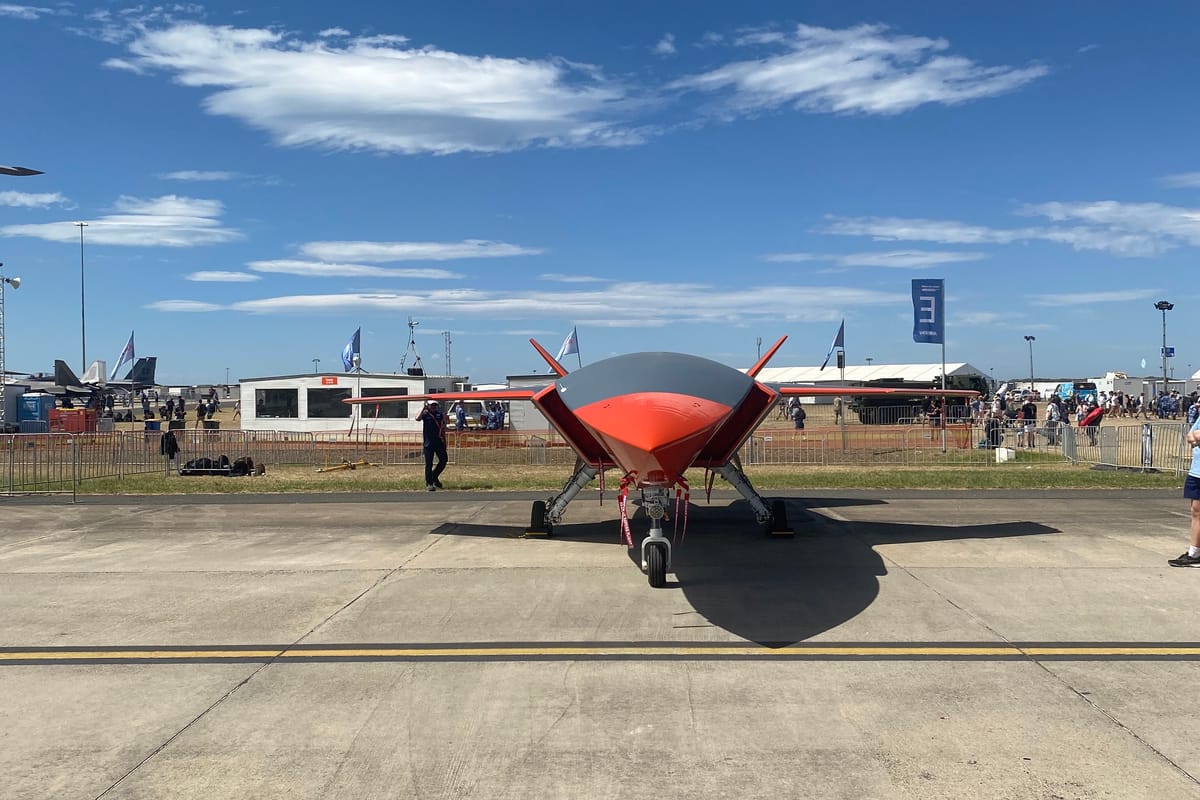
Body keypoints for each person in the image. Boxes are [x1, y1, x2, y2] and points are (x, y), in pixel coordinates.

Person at [1168, 415, 1200, 567]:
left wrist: (1197, 437)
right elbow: (1190, 436)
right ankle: (1194, 553)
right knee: (1196, 511)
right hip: (1196, 471)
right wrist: (1195, 437)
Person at [417, 399, 448, 491]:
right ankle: (429, 483)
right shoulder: (425, 414)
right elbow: (417, 418)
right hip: (428, 443)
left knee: (444, 460)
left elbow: (442, 428)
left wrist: (445, 441)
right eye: (431, 405)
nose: (433, 407)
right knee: (429, 464)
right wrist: (423, 407)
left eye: (435, 405)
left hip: (438, 442)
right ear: (428, 406)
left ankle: (434, 476)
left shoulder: (439, 415)